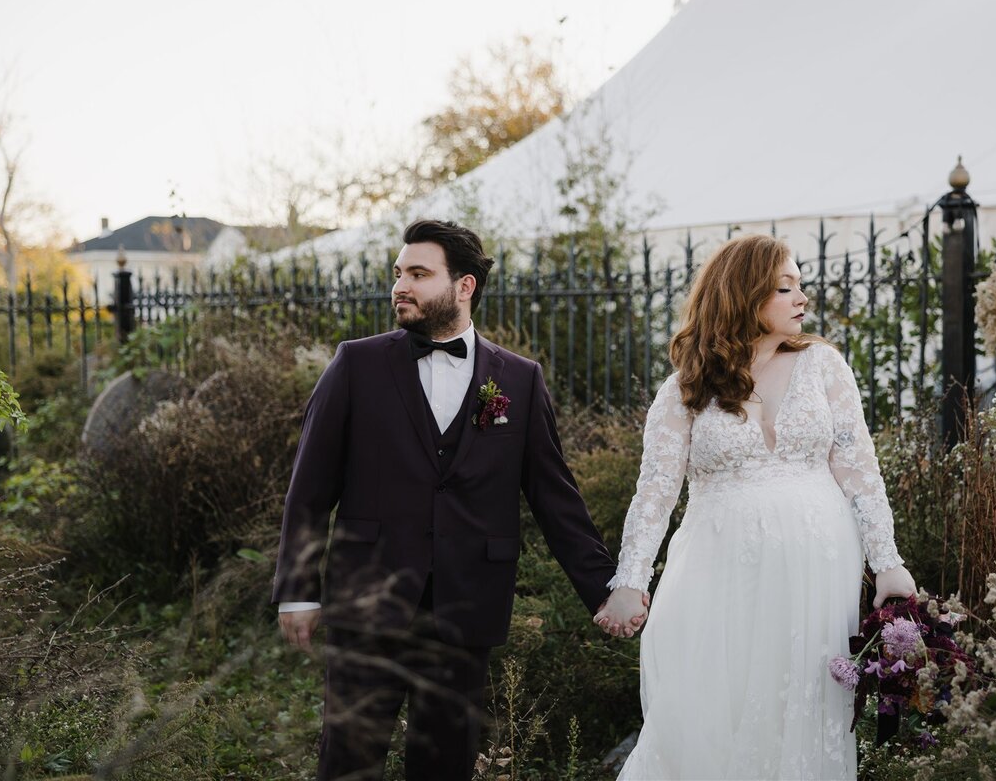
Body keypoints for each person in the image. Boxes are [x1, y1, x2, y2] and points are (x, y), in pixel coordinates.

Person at [272, 219, 645, 781]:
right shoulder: (356, 365)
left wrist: (607, 588)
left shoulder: (518, 380)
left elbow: (554, 497)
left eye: (418, 274)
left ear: (464, 286)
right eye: (399, 273)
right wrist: (296, 591)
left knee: (444, 764)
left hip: (467, 604)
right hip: (369, 598)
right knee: (349, 758)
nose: (401, 285)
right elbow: (309, 489)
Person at [594, 234, 916, 779]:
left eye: (801, 285)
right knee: (711, 701)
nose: (801, 298)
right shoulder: (686, 388)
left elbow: (859, 469)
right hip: (717, 569)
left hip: (817, 570)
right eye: (784, 286)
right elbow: (655, 490)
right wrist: (630, 580)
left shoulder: (824, 366)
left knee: (802, 702)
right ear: (743, 295)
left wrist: (887, 563)